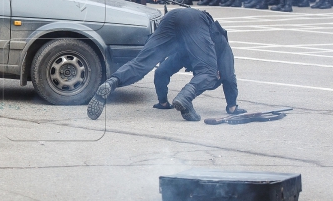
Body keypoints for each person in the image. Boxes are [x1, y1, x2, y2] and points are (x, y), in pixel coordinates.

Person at [87, 8, 242, 122]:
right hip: (194, 20)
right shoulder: (222, 47)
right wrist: (232, 106)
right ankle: (185, 98)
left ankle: (111, 82)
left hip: (172, 17)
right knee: (208, 72)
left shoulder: (186, 51)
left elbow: (162, 71)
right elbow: (228, 77)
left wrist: (163, 102)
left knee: (141, 63)